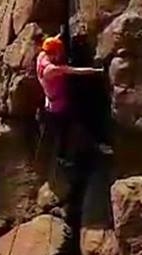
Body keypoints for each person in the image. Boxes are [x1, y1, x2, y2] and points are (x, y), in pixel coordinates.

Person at [36, 34, 104, 164]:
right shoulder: (52, 70)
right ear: (53, 53)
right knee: (67, 128)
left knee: (61, 130)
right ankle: (64, 157)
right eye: (58, 53)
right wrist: (96, 71)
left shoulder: (42, 56)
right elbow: (74, 71)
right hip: (59, 106)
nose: (60, 55)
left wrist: (61, 34)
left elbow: (50, 45)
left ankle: (62, 154)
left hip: (51, 101)